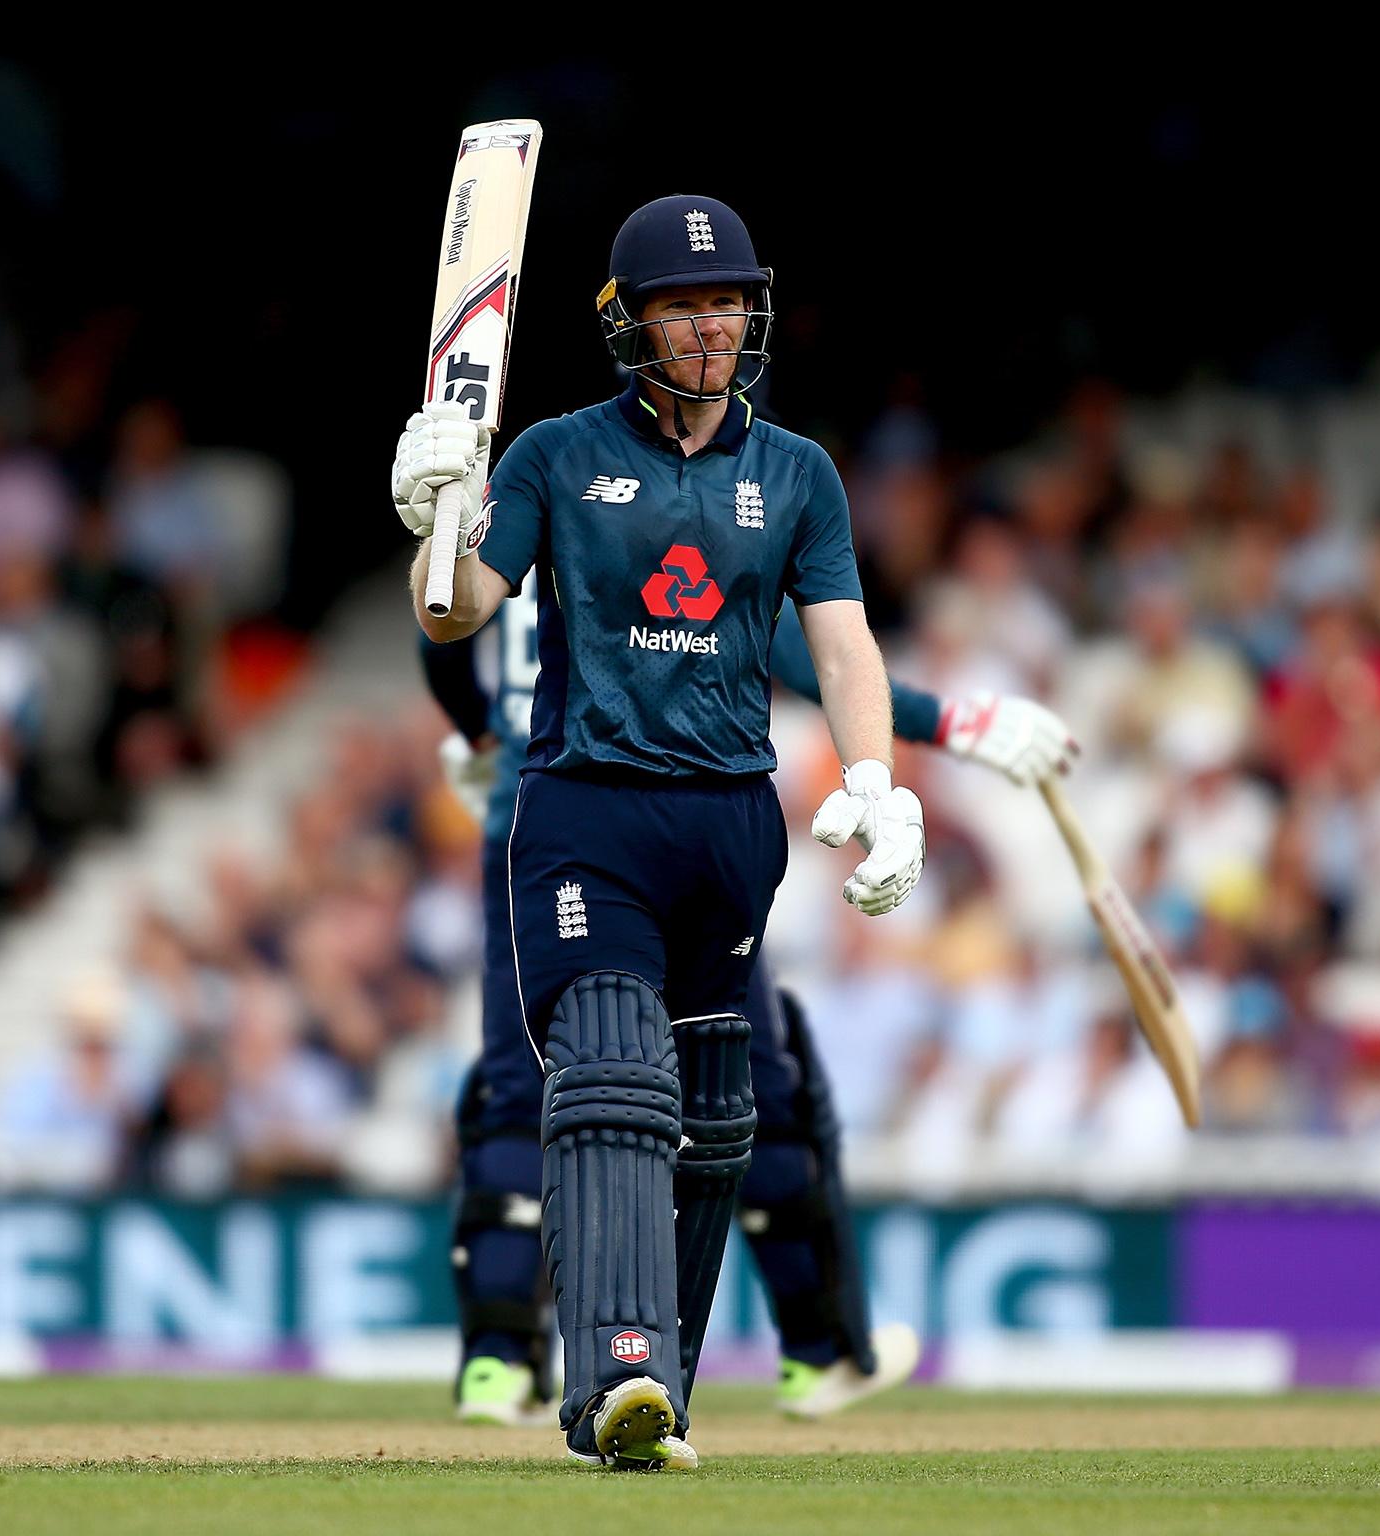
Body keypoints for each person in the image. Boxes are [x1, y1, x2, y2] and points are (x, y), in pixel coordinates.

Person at [398, 196, 1066, 1469]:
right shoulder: (549, 454)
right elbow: (453, 616)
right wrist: (431, 516)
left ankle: (660, 1396)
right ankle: (609, 1378)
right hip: (590, 809)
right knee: (607, 1071)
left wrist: (878, 778)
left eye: (727, 303)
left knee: (715, 1113)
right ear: (629, 322)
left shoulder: (797, 473)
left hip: (734, 824)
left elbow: (842, 644)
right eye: (682, 305)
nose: (711, 326)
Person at [422, 598, 1075, 1427]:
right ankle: (817, 1347)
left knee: (526, 1085)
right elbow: (817, 664)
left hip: (533, 824)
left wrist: (480, 733)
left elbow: (438, 636)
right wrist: (950, 721)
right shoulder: (669, 503)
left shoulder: (520, 504)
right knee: (742, 1075)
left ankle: (497, 1363)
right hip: (669, 823)